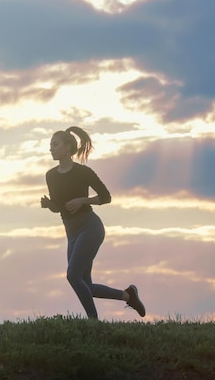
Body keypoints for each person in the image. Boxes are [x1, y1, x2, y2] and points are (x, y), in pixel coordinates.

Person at [40, 126, 146, 319]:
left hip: (90, 227)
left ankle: (93, 322)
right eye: (50, 145)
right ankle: (128, 295)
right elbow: (60, 207)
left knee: (72, 275)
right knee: (84, 285)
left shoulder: (83, 172)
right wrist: (49, 205)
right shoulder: (51, 175)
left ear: (67, 147)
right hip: (71, 232)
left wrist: (83, 200)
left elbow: (106, 197)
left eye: (55, 145)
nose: (51, 149)